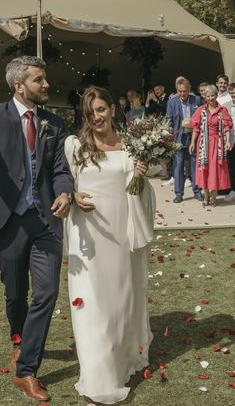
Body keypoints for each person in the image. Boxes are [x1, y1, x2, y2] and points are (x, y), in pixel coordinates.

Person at [0, 56, 74, 402]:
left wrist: (65, 191)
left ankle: (26, 371)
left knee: (47, 292)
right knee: (15, 293)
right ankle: (19, 339)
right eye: (39, 80)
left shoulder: (55, 122)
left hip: (45, 220)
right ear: (19, 85)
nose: (47, 85)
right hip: (7, 220)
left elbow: (60, 168)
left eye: (45, 78)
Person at [64, 86, 155, 403]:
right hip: (87, 237)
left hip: (120, 235)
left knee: (119, 302)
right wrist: (73, 196)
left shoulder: (132, 144)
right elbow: (62, 183)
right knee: (91, 303)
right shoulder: (74, 145)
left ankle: (121, 361)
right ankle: (99, 377)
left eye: (101, 110)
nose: (96, 117)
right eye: (90, 113)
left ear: (113, 109)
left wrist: (141, 177)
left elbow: (140, 193)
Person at [189, 84, 232, 206]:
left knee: (215, 170)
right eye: (208, 96)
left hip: (218, 143)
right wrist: (192, 142)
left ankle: (214, 197)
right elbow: (196, 128)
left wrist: (228, 141)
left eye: (213, 95)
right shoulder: (201, 110)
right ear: (205, 97)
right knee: (205, 170)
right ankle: (206, 196)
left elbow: (227, 127)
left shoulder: (222, 110)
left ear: (216, 95)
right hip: (203, 144)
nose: (210, 98)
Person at [166, 76, 203, 203]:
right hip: (179, 138)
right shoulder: (172, 102)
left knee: (194, 165)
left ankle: (197, 191)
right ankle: (179, 194)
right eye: (180, 91)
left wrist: (192, 123)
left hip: (194, 137)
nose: (182, 94)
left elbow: (203, 117)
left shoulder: (197, 100)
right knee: (178, 166)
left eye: (185, 91)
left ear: (189, 90)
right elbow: (169, 121)